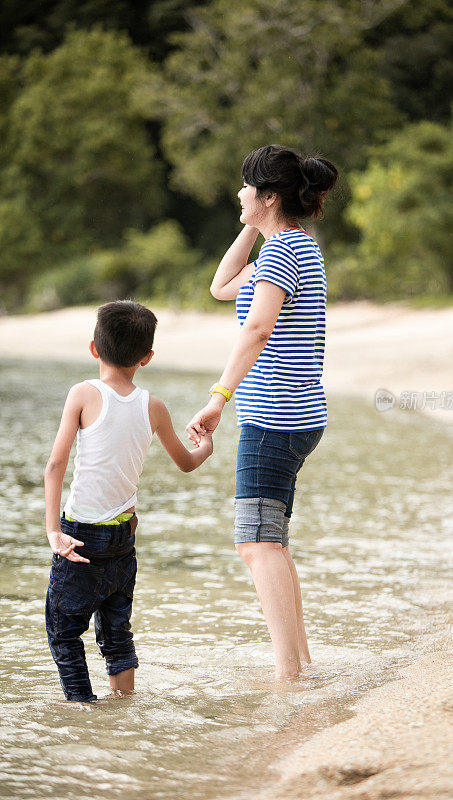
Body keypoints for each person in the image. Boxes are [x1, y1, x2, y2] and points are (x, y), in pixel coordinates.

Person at [186, 144, 338, 680]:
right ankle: (300, 662)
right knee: (271, 541)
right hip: (297, 415)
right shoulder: (293, 247)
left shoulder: (281, 255)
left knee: (255, 542)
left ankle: (287, 676)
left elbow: (256, 329)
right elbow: (221, 287)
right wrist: (252, 224)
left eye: (246, 189)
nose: (238, 194)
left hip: (274, 417)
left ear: (269, 195)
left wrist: (217, 399)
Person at [45, 300, 213, 702]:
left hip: (79, 536)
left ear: (93, 349)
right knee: (116, 631)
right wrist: (206, 444)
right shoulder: (153, 407)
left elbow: (55, 465)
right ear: (147, 358)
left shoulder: (83, 394)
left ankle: (85, 712)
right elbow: (187, 464)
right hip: (123, 537)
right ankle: (124, 707)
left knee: (64, 631)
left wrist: (52, 530)